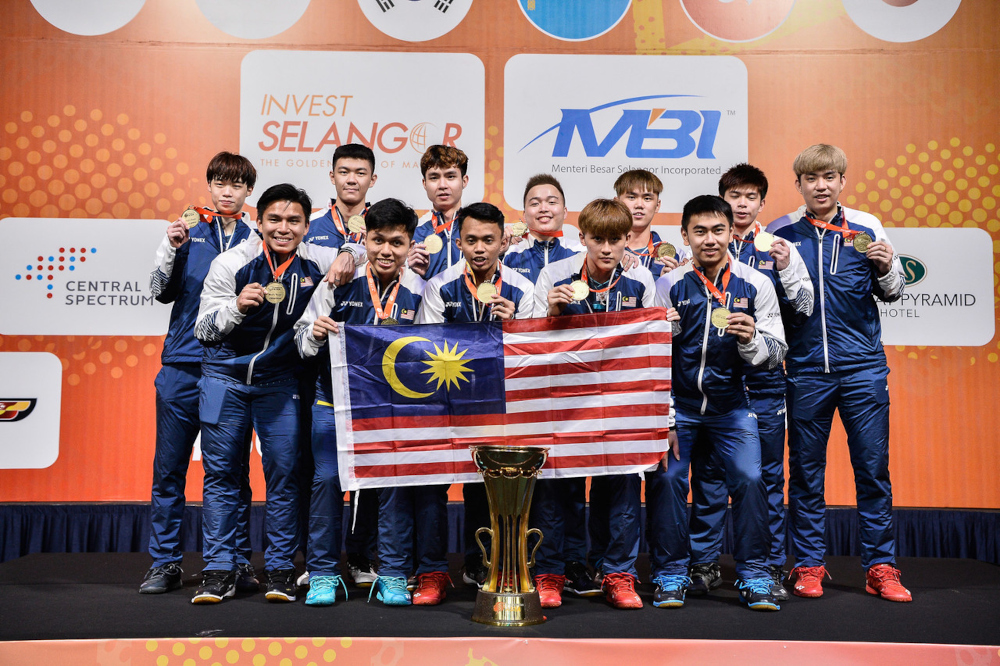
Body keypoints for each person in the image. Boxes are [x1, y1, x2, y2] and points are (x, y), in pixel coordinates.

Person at [768, 144, 911, 603]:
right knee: (806, 473)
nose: (821, 186)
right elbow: (770, 299)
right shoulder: (781, 232)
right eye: (811, 179)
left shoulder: (866, 227)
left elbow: (893, 290)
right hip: (806, 370)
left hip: (863, 368)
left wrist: (890, 270)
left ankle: (881, 567)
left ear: (842, 180)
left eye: (829, 177)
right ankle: (809, 565)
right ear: (800, 185)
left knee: (872, 471)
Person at [192, 183, 338, 604]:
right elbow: (202, 332)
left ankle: (279, 569)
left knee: (285, 477)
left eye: (294, 221)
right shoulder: (230, 263)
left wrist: (348, 253)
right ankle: (220, 570)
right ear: (258, 221)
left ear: (308, 226)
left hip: (280, 383)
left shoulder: (318, 260)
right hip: (224, 379)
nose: (283, 228)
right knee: (221, 477)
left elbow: (364, 255)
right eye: (274, 219)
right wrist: (236, 308)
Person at [649, 194, 787, 612]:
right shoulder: (668, 285)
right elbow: (648, 359)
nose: (709, 239)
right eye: (700, 231)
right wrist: (662, 336)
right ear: (685, 235)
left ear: (732, 232)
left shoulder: (755, 283)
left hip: (732, 408)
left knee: (748, 479)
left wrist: (751, 341)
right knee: (669, 481)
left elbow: (778, 350)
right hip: (680, 409)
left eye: (718, 230)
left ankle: (755, 574)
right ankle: (671, 573)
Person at [683, 164, 813, 601]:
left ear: (761, 202)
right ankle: (703, 564)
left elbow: (804, 308)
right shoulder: (695, 253)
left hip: (764, 383)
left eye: (750, 196)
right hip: (713, 387)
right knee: (708, 478)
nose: (742, 203)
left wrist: (789, 266)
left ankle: (768, 565)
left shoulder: (777, 247)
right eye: (734, 195)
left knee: (764, 480)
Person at [294, 198, 425, 606]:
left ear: (410, 245)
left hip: (390, 409)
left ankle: (393, 574)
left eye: (397, 243)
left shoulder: (422, 291)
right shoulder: (337, 284)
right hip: (332, 403)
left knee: (391, 488)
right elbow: (300, 341)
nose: (386, 250)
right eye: (378, 240)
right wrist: (314, 333)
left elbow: (431, 353)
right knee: (327, 482)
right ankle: (322, 574)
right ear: (363, 239)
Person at [141, 152, 259, 595]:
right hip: (182, 367)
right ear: (208, 185)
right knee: (168, 470)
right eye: (220, 183)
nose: (228, 191)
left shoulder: (256, 237)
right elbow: (158, 291)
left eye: (237, 185)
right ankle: (165, 563)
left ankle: (235, 560)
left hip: (230, 370)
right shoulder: (184, 231)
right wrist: (172, 250)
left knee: (229, 474)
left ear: (249, 191)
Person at [533, 198, 657, 610]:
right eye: (597, 239)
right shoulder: (554, 275)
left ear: (627, 240)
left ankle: (618, 574)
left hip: (620, 402)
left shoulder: (640, 282)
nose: (606, 248)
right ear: (581, 237)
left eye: (615, 240)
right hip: (564, 401)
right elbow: (529, 345)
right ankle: (550, 572)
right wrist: (550, 313)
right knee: (556, 490)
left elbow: (651, 352)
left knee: (621, 488)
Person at [414, 202, 535, 588]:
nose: (480, 248)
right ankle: (431, 570)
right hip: (447, 403)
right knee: (431, 486)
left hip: (499, 404)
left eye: (488, 240)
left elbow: (534, 358)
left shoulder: (522, 288)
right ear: (459, 242)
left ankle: (483, 563)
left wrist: (514, 326)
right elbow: (423, 347)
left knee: (488, 486)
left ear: (503, 242)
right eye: (471, 240)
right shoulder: (440, 286)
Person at [502, 174, 600, 599]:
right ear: (523, 213)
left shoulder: (583, 256)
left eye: (552, 201)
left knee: (573, 479)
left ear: (565, 210)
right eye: (535, 202)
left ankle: (576, 562)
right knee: (536, 480)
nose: (543, 208)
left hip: (574, 384)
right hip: (523, 385)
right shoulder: (508, 258)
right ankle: (535, 564)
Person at [301, 142, 381, 590]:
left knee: (369, 476)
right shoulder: (309, 228)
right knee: (319, 476)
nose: (352, 179)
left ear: (373, 179)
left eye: (360, 172)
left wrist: (355, 250)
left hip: (371, 376)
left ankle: (364, 554)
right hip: (314, 368)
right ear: (331, 176)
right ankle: (319, 560)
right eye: (344, 172)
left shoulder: (384, 226)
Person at [408, 145, 469, 280]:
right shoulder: (413, 231)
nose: (442, 185)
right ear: (424, 183)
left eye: (450, 176)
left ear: (464, 181)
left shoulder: (478, 228)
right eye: (434, 178)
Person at [613, 169, 688, 276]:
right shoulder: (600, 251)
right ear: (617, 203)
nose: (639, 205)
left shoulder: (674, 256)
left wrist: (666, 282)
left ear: (657, 205)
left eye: (647, 198)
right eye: (631, 197)